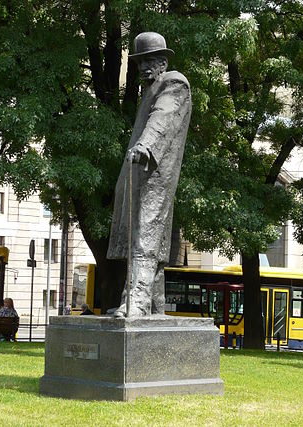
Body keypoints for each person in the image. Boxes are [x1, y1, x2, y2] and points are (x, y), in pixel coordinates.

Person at [107, 32, 192, 317]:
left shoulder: (174, 83)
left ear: (163, 62)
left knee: (144, 231)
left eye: (151, 60)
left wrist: (146, 145)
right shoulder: (150, 90)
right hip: (140, 171)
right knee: (144, 232)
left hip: (155, 170)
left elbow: (163, 117)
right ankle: (153, 306)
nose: (144, 67)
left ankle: (137, 301)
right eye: (140, 61)